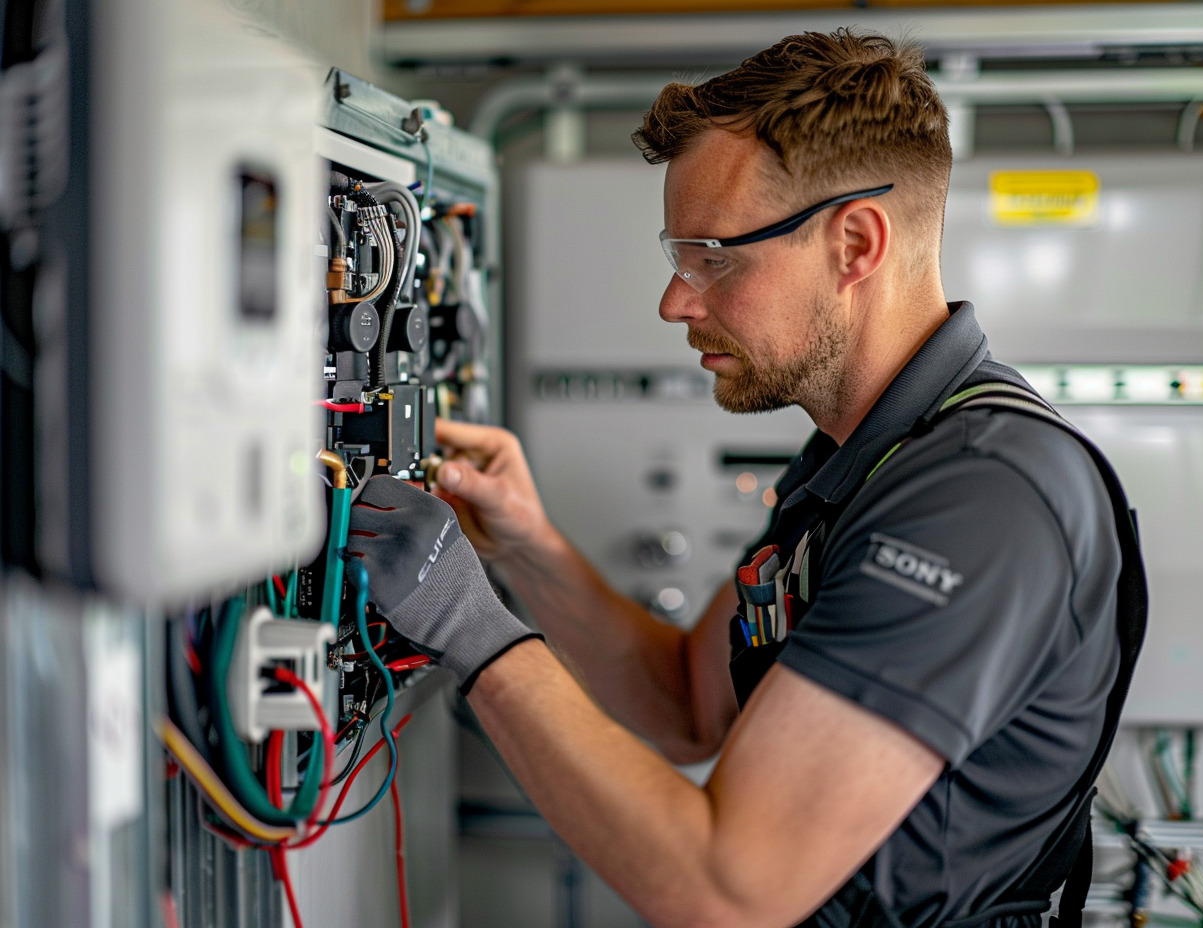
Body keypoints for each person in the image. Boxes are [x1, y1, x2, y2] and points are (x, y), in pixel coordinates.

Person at [348, 29, 1143, 928]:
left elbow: (727, 891)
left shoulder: (981, 498)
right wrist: (529, 547)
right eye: (677, 258)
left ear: (855, 244)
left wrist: (467, 623)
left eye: (714, 257)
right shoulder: (863, 462)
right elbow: (689, 703)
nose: (675, 300)